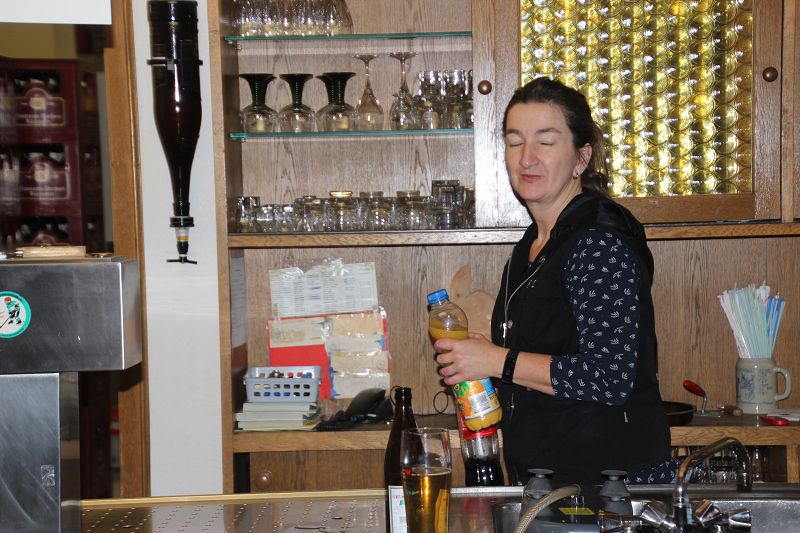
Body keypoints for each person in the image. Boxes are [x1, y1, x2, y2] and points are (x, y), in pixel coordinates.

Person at [433, 77, 673, 486]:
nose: (526, 158)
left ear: (582, 157)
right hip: (553, 479)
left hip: (611, 486)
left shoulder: (598, 242)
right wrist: (483, 356)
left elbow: (610, 376)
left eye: (545, 142)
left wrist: (497, 360)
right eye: (515, 142)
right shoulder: (533, 245)